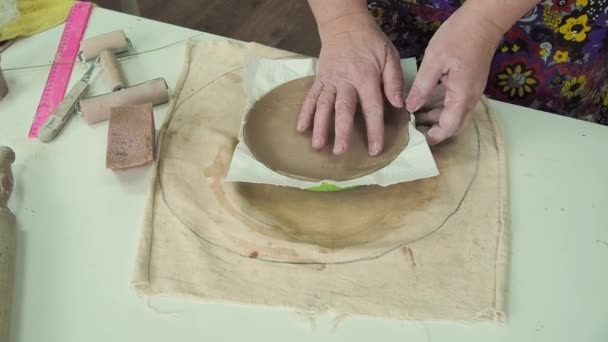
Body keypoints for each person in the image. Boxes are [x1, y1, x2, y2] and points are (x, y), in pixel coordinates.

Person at [298, 0, 608, 156]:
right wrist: (342, 22)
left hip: (544, 25)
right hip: (400, 10)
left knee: (536, 150)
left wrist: (484, 22)